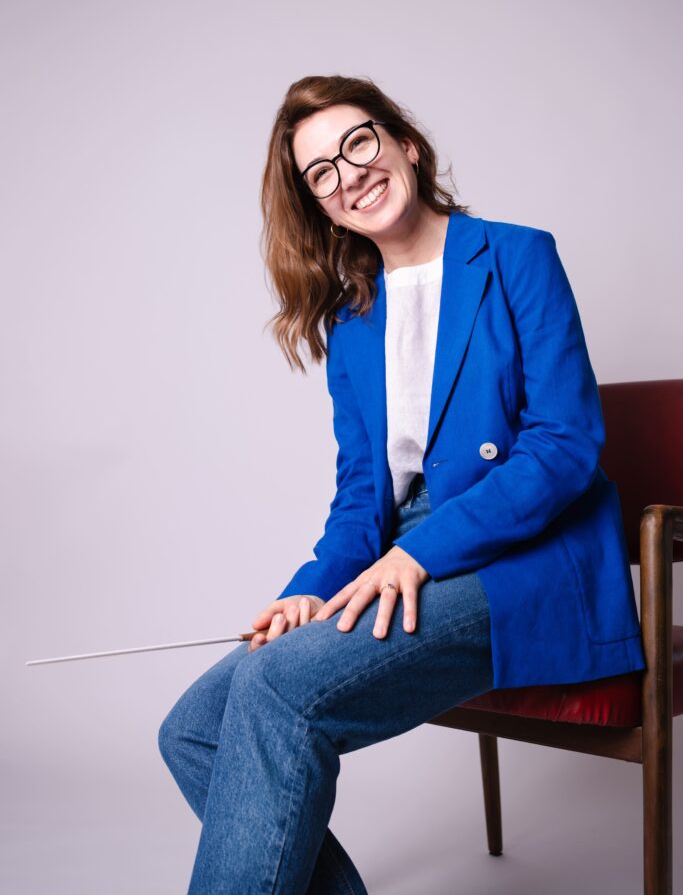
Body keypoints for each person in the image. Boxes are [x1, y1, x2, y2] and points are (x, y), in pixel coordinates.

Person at [158, 74, 646, 894]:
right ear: (320, 205)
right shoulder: (351, 322)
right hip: (399, 553)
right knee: (193, 727)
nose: (348, 174)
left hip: (523, 556)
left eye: (358, 143)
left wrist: (419, 555)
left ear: (406, 145)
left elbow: (563, 446)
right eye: (321, 173)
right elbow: (361, 498)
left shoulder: (516, 255)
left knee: (275, 689)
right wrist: (309, 590)